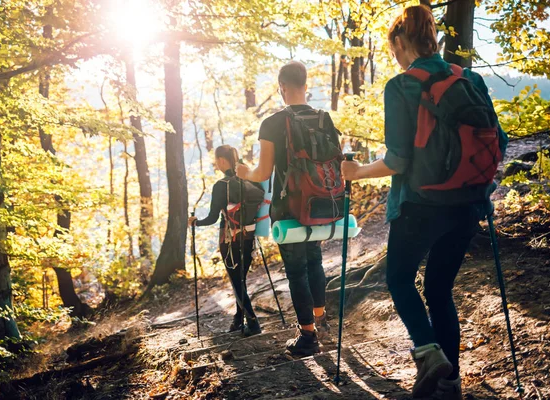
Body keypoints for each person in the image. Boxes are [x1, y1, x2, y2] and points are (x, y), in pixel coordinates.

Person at [341, 5, 508, 400]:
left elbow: (398, 159)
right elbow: (499, 142)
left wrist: (358, 172)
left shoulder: (401, 86)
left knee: (398, 278)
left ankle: (428, 353)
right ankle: (451, 385)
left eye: (393, 50)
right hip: (469, 204)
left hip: (420, 206)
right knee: (439, 290)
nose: (394, 58)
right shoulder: (470, 79)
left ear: (401, 42)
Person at [236, 61, 338, 357]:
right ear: (306, 85)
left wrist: (244, 173)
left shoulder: (272, 123)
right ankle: (320, 320)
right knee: (314, 260)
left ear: (281, 88)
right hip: (320, 200)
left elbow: (264, 172)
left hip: (288, 205)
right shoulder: (323, 118)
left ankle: (308, 336)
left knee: (296, 270)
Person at [189, 145, 261, 337]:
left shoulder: (221, 186)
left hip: (229, 239)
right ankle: (238, 320)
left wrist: (196, 222)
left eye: (217, 161)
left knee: (237, 282)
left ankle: (253, 323)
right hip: (249, 236)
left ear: (222, 160)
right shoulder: (251, 179)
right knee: (242, 279)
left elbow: (213, 218)